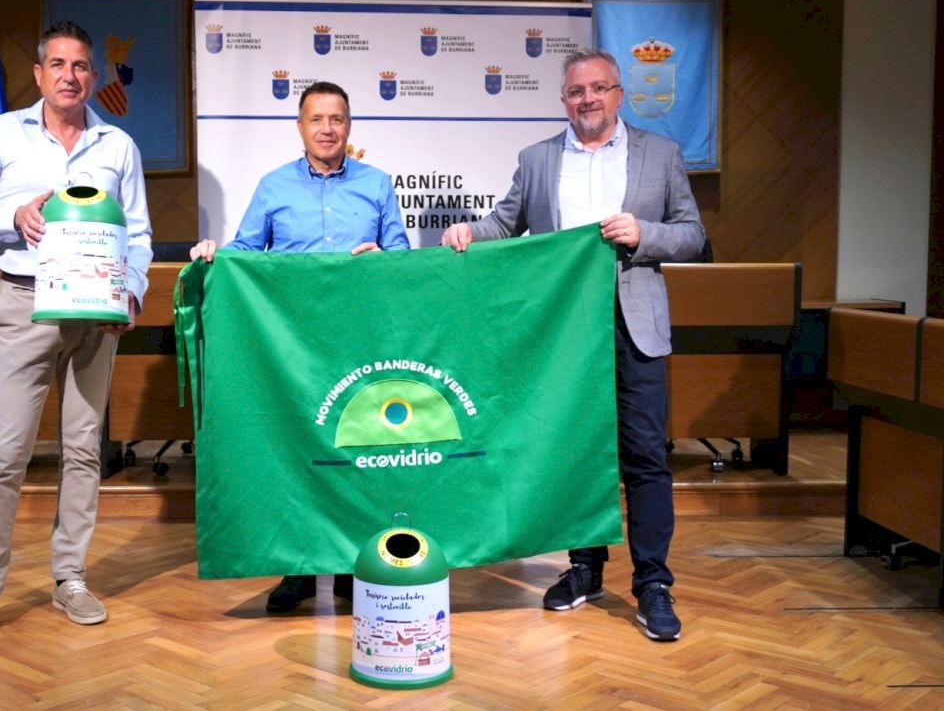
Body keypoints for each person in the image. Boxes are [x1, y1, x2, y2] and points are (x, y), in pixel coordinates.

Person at [441, 49, 704, 641]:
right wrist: (467, 232)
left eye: (599, 88)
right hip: (563, 334)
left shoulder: (661, 154)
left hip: (634, 326)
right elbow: (504, 225)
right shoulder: (537, 159)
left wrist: (644, 233)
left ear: (618, 94)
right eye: (577, 91)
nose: (588, 99)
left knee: (644, 456)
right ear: (564, 100)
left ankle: (653, 583)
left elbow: (693, 236)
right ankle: (585, 567)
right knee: (575, 452)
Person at [0, 21, 153, 646]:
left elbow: (139, 232)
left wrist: (133, 289)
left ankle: (70, 578)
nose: (70, 75)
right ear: (39, 74)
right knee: (5, 453)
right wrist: (12, 217)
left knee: (84, 449)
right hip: (26, 301)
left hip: (97, 311)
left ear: (94, 76)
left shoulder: (118, 145)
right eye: (58, 64)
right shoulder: (1, 133)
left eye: (81, 65)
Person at [190, 80, 409, 612]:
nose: (327, 129)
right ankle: (301, 568)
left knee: (358, 452)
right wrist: (215, 252)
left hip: (360, 341)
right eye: (317, 119)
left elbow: (403, 257)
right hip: (293, 349)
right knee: (298, 450)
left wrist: (382, 257)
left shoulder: (378, 184)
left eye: (337, 119)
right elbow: (244, 253)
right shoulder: (273, 186)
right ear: (300, 127)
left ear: (349, 126)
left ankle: (356, 564)